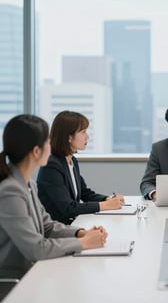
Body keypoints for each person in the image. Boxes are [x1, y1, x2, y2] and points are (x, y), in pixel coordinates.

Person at [0, 114, 107, 296]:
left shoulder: (28, 184)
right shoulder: (10, 191)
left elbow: (47, 226)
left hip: (33, 272)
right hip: (16, 282)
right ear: (36, 151)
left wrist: (80, 232)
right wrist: (83, 242)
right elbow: (36, 248)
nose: (51, 147)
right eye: (47, 143)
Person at [37, 111, 124, 225]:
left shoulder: (72, 161)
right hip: (56, 230)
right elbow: (68, 208)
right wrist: (105, 205)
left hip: (72, 224)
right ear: (68, 137)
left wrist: (107, 199)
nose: (87, 136)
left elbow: (85, 194)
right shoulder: (51, 165)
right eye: (83, 132)